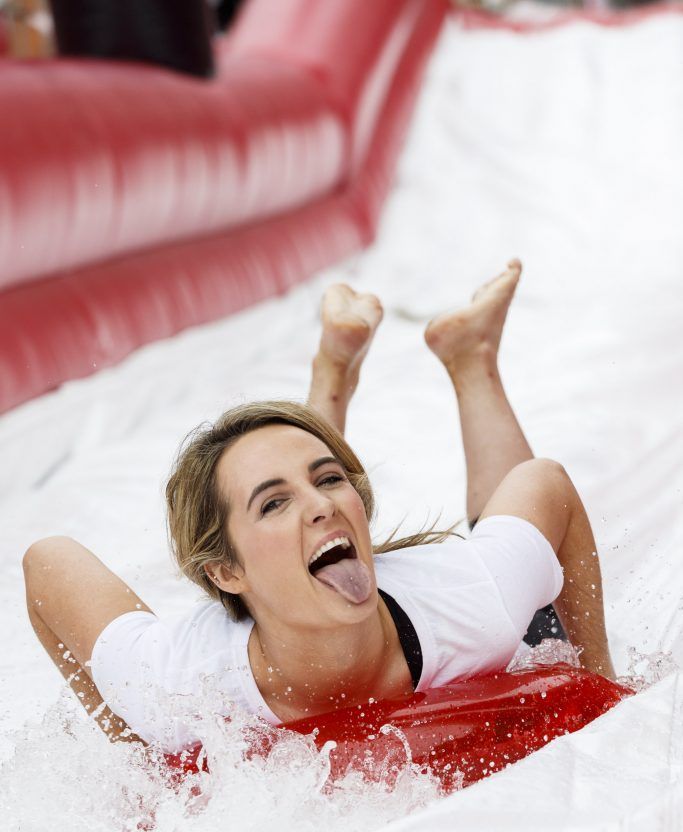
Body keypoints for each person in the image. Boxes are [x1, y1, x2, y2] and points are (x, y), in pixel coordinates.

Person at [22, 258, 616, 751]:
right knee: (296, 502)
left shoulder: (473, 604)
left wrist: (598, 680)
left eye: (335, 481)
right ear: (225, 572)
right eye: (271, 505)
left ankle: (472, 357)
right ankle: (332, 374)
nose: (325, 504)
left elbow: (543, 483)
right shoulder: (176, 688)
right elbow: (46, 561)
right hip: (267, 603)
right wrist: (141, 757)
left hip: (418, 602)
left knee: (539, 628)